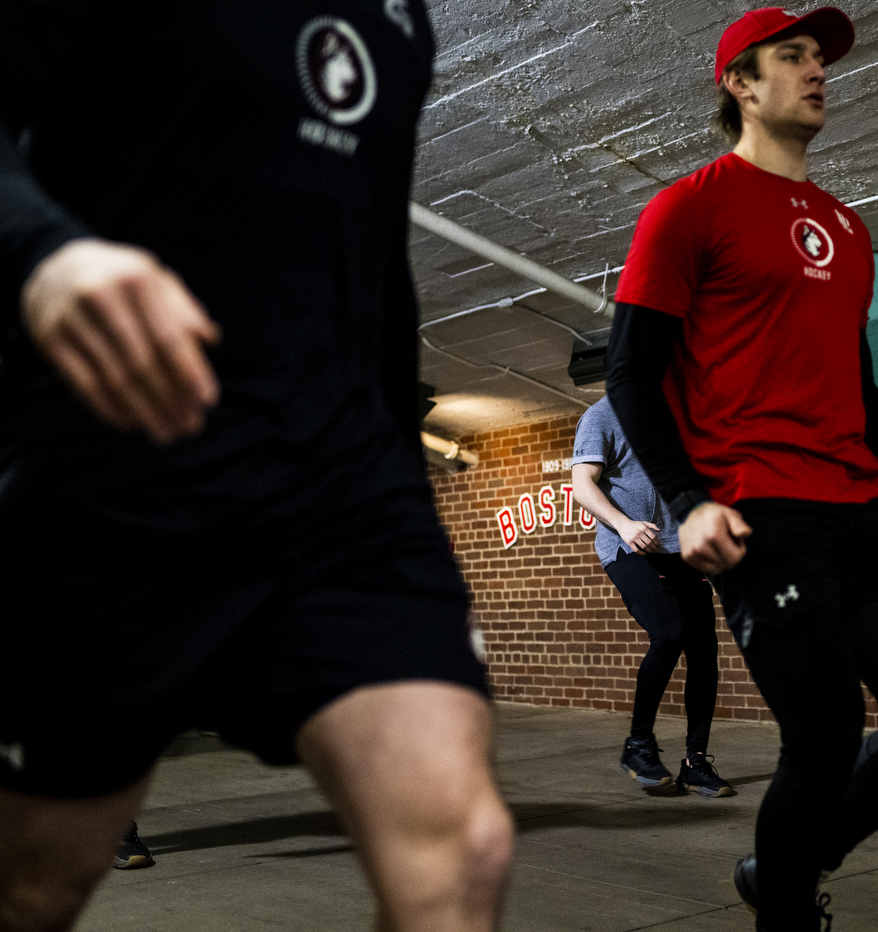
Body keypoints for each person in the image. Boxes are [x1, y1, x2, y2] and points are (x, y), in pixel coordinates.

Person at [0, 4, 513, 930]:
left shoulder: (401, 20)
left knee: (461, 854)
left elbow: (376, 269)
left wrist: (409, 505)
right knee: (34, 886)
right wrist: (43, 256)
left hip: (345, 494)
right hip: (122, 477)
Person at [605, 8, 878, 930]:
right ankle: (785, 909)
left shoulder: (845, 228)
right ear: (738, 82)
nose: (817, 71)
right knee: (822, 737)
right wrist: (687, 500)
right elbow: (630, 374)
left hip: (859, 510)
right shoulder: (689, 204)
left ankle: (781, 868)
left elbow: (851, 378)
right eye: (793, 56)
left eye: (820, 58)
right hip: (762, 514)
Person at [571, 396, 734, 797]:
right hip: (628, 546)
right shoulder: (603, 415)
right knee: (670, 631)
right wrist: (623, 524)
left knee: (703, 648)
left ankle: (696, 763)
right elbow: (581, 486)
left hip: (682, 549)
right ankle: (638, 743)